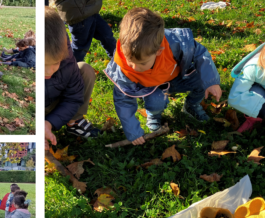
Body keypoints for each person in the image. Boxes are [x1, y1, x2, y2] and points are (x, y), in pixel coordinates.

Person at [105, 7, 221, 145]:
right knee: (156, 102)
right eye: (130, 61)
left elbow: (200, 54)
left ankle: (191, 105)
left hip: (176, 78)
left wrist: (212, 81)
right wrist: (133, 132)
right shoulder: (124, 68)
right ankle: (153, 115)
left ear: (159, 52)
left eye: (142, 63)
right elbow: (123, 101)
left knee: (202, 80)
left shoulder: (176, 44)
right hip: (150, 88)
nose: (135, 68)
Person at [44, 7, 100, 146]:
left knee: (85, 69)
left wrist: (49, 122)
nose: (49, 71)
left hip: (55, 102)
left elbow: (74, 97)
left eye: (56, 63)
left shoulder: (66, 57)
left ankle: (74, 121)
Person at [228, 43, 265, 132]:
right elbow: (235, 96)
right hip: (261, 94)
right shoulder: (254, 67)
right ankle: (254, 118)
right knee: (254, 90)